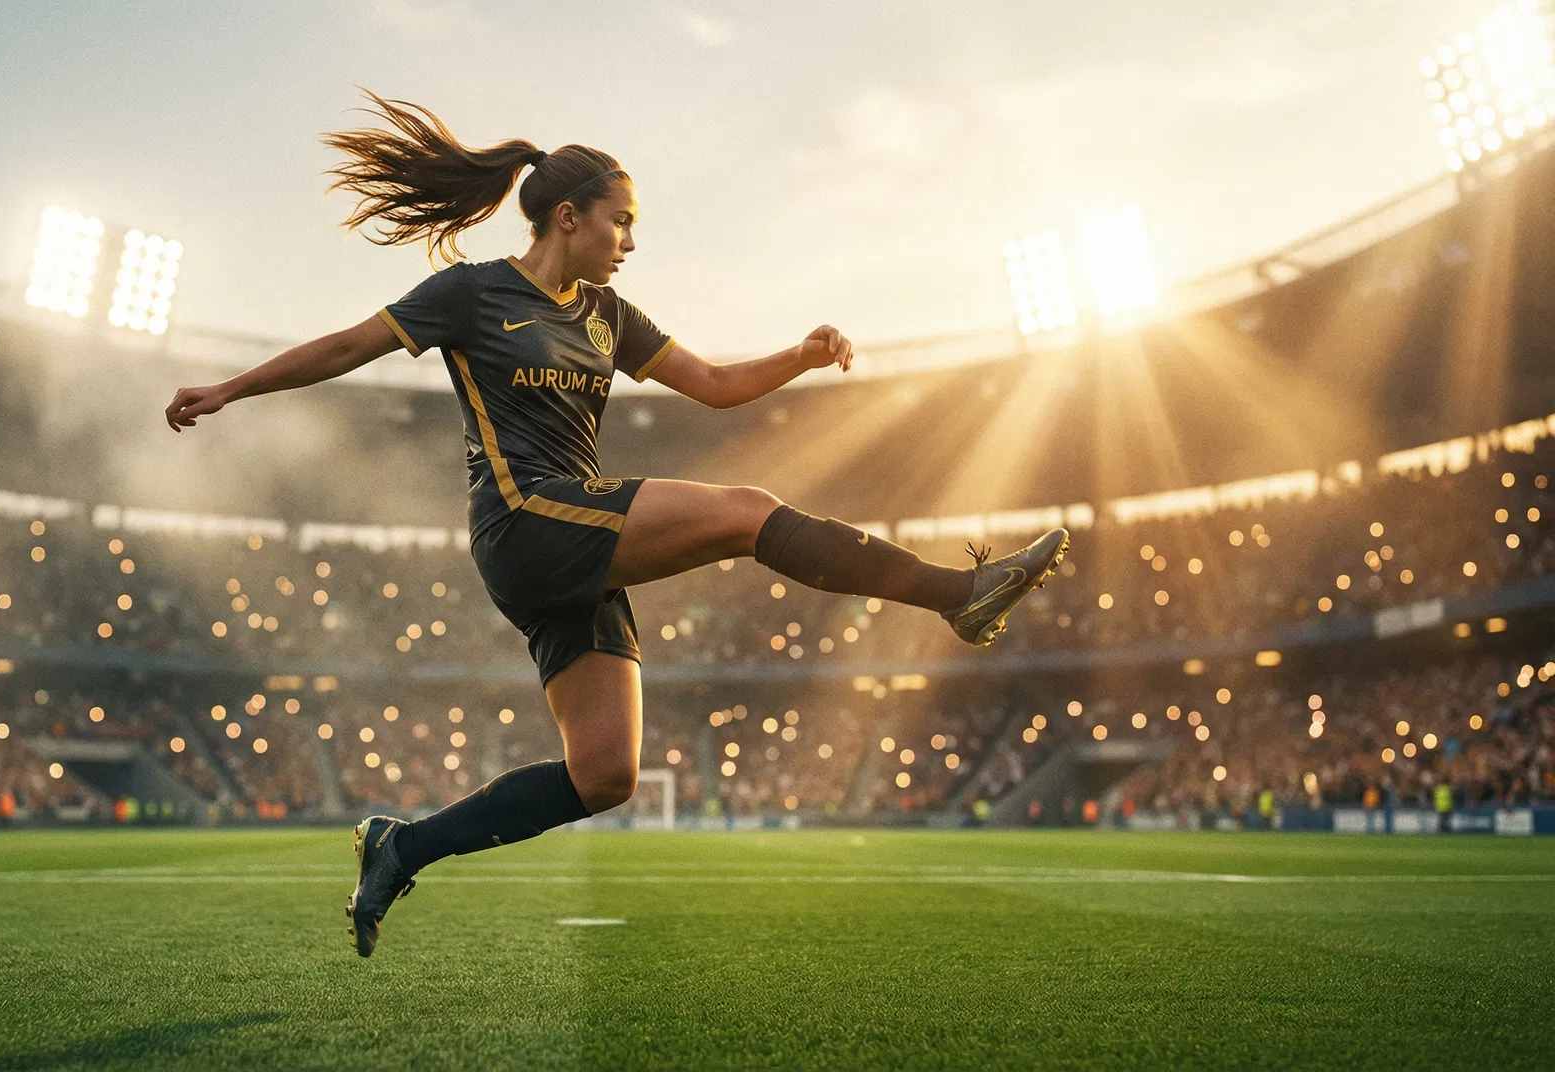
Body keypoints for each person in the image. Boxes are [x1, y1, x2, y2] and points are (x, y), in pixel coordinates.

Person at [164, 93, 1069, 957]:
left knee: (604, 777)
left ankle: (401, 850)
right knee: (748, 513)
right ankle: (959, 593)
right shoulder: (472, 295)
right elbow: (347, 347)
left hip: (581, 542)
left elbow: (714, 387)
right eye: (620, 220)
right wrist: (233, 388)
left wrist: (800, 352)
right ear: (567, 217)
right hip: (523, 522)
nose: (630, 239)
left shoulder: (609, 317)